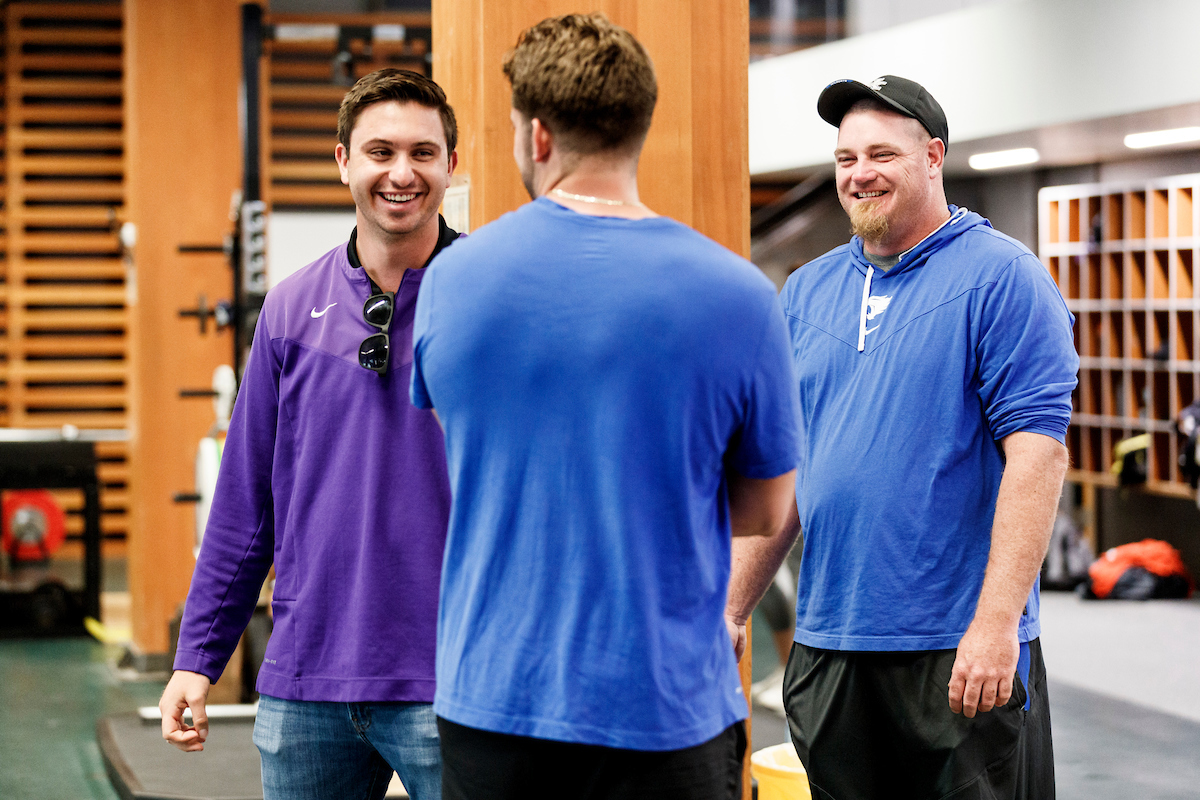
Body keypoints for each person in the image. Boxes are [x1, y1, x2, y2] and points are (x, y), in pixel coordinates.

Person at [409, 14, 799, 800]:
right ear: (638, 129)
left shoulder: (453, 280)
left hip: (495, 703)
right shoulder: (742, 295)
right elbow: (765, 509)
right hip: (667, 709)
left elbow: (468, 445)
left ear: (539, 137)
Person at [727, 75, 1078, 799]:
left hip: (954, 648)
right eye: (846, 157)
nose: (859, 173)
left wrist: (995, 626)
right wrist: (731, 608)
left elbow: (1037, 457)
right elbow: (789, 469)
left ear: (932, 157)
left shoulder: (1003, 278)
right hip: (831, 648)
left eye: (881, 154)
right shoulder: (808, 291)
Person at [158, 68, 461, 800]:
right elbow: (244, 503)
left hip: (455, 682)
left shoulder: (493, 300)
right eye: (379, 151)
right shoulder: (291, 311)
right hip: (307, 684)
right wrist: (197, 658)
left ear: (453, 164)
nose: (401, 172)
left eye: (423, 153)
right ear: (343, 162)